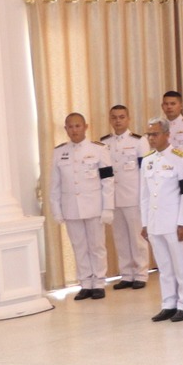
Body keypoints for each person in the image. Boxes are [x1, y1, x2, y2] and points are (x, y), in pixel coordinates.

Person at [49, 112, 114, 299]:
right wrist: (57, 209)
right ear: (65, 129)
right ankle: (85, 283)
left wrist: (108, 207)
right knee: (79, 246)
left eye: (78, 126)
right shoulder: (59, 152)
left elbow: (108, 180)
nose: (74, 130)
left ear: (85, 127)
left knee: (96, 245)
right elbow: (55, 184)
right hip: (71, 207)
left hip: (94, 206)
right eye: (70, 126)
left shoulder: (99, 149)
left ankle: (99, 282)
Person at [138, 119, 183, 322]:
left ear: (166, 134)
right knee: (164, 267)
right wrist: (145, 223)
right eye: (149, 135)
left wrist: (182, 222)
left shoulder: (181, 158)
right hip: (154, 222)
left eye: (155, 134)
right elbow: (144, 195)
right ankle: (168, 303)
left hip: (173, 221)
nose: (151, 138)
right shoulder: (147, 160)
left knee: (181, 265)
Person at [100, 105, 148, 290]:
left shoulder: (138, 141)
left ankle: (141, 274)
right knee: (120, 238)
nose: (118, 120)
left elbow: (144, 170)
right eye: (114, 117)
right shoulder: (104, 142)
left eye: (121, 117)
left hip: (133, 195)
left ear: (128, 119)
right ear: (110, 120)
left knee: (137, 237)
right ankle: (127, 274)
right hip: (114, 197)